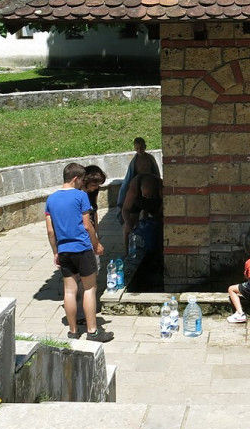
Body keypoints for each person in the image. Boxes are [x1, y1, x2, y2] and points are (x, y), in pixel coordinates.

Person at [44, 162, 114, 342]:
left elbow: (50, 231)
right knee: (90, 288)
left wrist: (55, 252)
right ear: (75, 179)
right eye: (81, 180)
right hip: (82, 248)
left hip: (64, 249)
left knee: (69, 290)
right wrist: (96, 243)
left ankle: (73, 331)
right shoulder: (81, 196)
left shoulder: (50, 200)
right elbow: (87, 224)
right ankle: (93, 331)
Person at [115, 137, 160, 220]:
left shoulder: (150, 158)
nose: (139, 150)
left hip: (149, 184)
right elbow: (130, 176)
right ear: (134, 148)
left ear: (145, 147)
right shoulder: (134, 161)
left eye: (141, 147)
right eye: (137, 148)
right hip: (138, 185)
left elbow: (156, 171)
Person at [121, 172, 163, 251]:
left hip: (155, 201)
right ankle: (126, 252)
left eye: (148, 195)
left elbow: (164, 204)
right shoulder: (134, 185)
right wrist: (128, 223)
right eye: (144, 195)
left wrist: (158, 215)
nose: (146, 197)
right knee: (127, 226)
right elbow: (125, 209)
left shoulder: (160, 186)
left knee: (159, 224)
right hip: (137, 201)